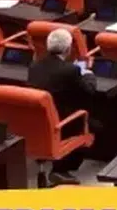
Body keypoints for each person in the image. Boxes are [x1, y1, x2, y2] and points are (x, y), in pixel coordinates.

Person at [27, 28, 98, 184]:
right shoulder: (71, 70)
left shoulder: (34, 66)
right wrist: (89, 74)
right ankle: (61, 169)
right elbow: (89, 91)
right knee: (94, 122)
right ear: (68, 49)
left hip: (37, 123)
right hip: (61, 124)